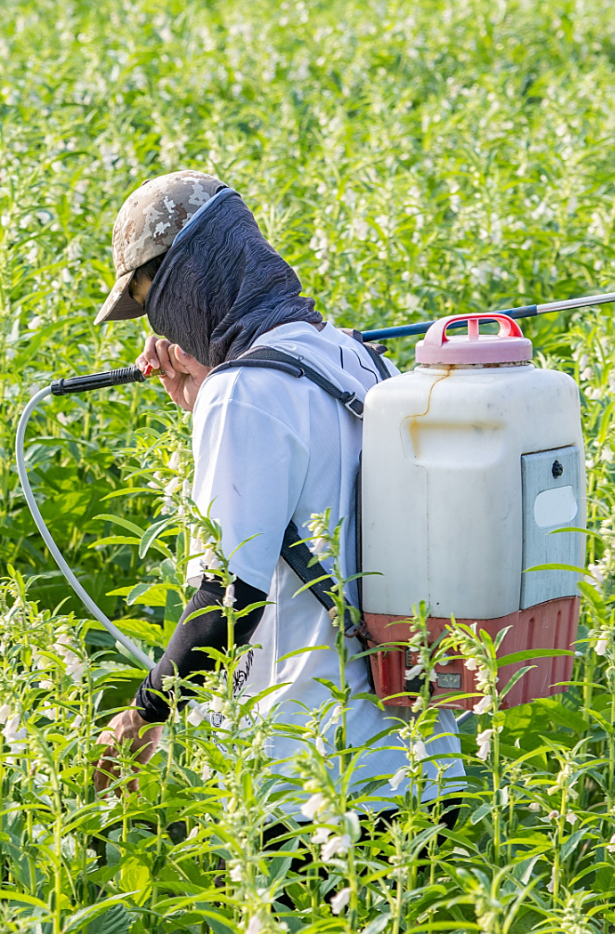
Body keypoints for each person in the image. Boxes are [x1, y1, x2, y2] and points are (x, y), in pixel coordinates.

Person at [88, 169, 460, 817]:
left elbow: (228, 598)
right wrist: (208, 400)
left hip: (317, 785)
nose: (160, 328)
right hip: (422, 767)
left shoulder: (245, 394)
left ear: (187, 284)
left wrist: (144, 714)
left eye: (153, 306)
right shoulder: (360, 358)